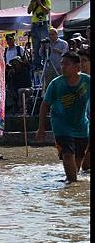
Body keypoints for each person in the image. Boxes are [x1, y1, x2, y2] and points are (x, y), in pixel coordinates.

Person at [36, 52, 90, 183]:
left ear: (78, 67)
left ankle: (71, 183)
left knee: (78, 159)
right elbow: (44, 106)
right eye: (61, 64)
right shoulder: (56, 84)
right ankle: (72, 187)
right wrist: (41, 128)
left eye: (67, 64)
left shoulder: (87, 81)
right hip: (61, 125)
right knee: (68, 154)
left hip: (81, 125)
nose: (63, 67)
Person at [27, 0, 52, 70]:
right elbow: (28, 11)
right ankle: (37, 64)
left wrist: (40, 3)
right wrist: (32, 2)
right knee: (36, 45)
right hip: (34, 24)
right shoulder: (33, 2)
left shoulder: (46, 1)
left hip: (43, 23)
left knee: (45, 43)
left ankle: (46, 61)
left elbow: (46, 11)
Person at [39, 27, 68, 93]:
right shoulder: (47, 44)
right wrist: (42, 46)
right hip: (49, 68)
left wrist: (59, 51)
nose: (51, 36)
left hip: (60, 68)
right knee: (49, 86)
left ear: (57, 34)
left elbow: (66, 54)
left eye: (52, 34)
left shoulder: (63, 43)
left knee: (61, 85)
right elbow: (40, 54)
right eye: (49, 34)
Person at [77, 48, 90, 172]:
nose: (81, 64)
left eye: (84, 61)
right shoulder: (75, 80)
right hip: (82, 124)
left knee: (85, 166)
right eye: (79, 61)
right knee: (83, 167)